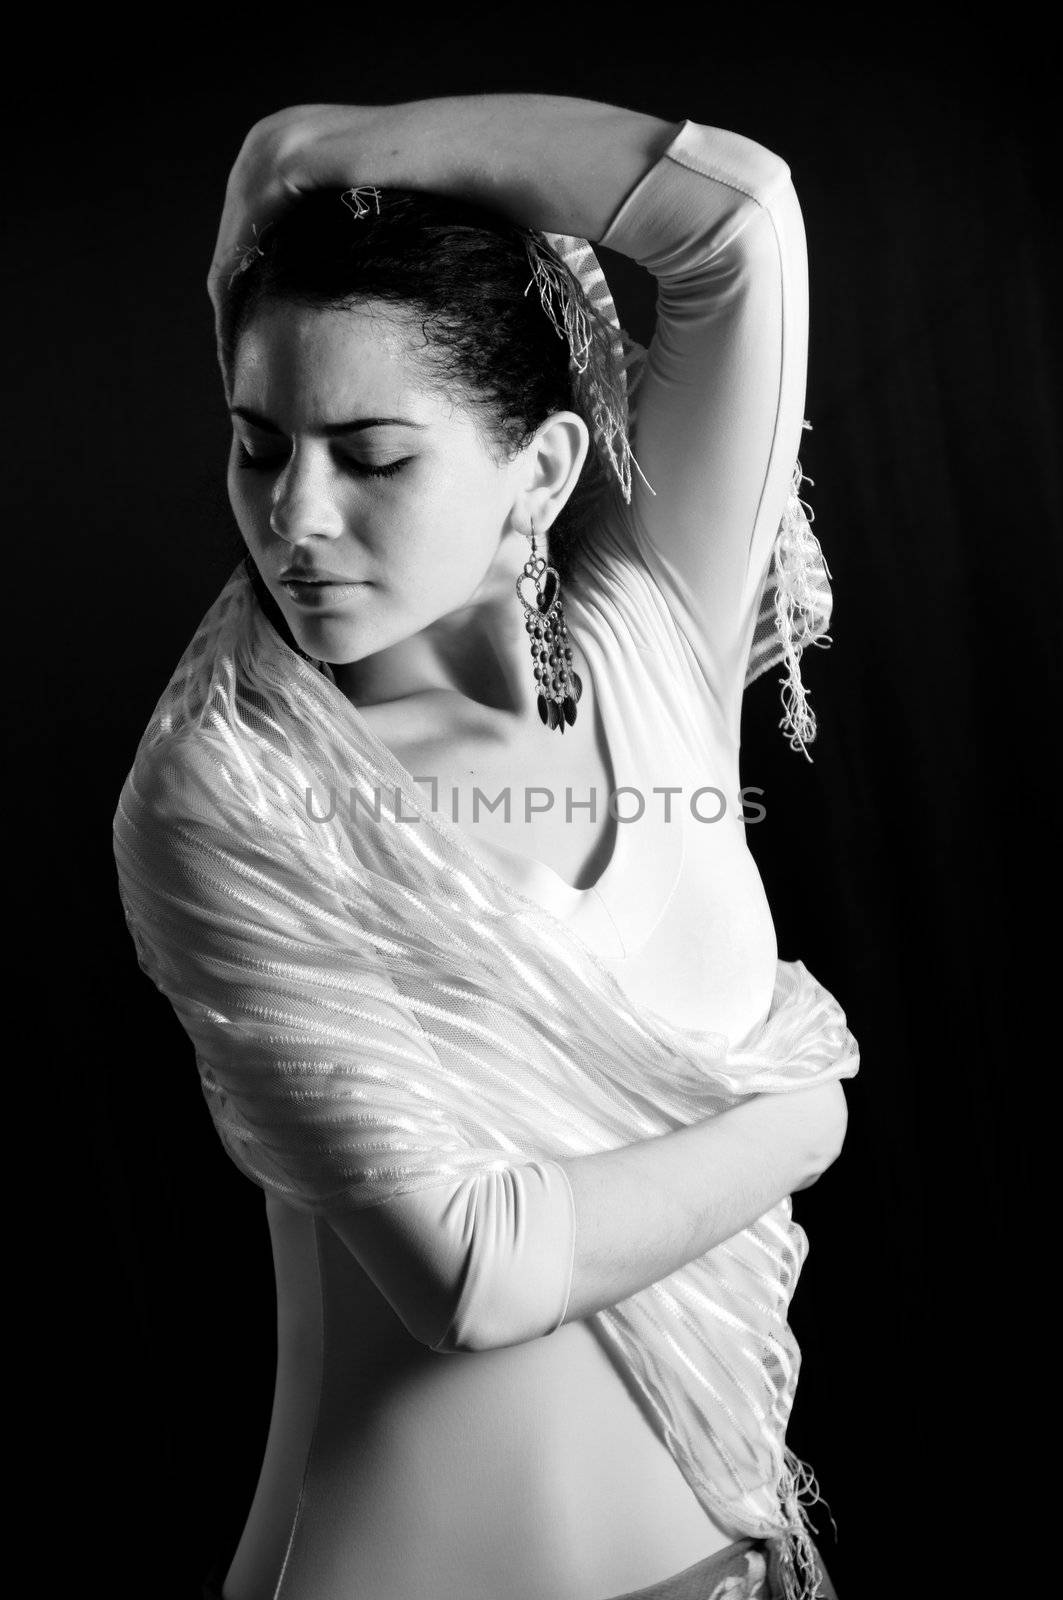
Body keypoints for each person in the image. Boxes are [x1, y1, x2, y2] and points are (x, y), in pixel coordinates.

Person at [113, 95, 859, 1600]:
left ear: (543, 469)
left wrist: (313, 152)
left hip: (730, 1563)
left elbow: (733, 221)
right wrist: (809, 1122)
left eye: (371, 456)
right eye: (260, 447)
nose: (293, 517)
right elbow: (473, 1272)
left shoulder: (658, 641)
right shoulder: (231, 802)